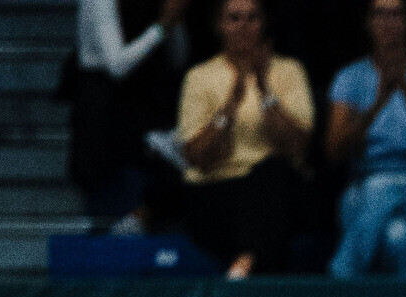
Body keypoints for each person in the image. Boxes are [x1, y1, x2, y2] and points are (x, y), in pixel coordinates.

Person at [174, 0, 311, 276]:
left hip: (276, 190)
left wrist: (264, 88)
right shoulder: (199, 77)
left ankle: (244, 263)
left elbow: (297, 145)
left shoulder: (288, 70)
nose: (244, 26)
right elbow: (197, 158)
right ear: (219, 25)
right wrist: (230, 105)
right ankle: (248, 262)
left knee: (272, 175)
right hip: (218, 192)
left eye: (252, 18)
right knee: (265, 218)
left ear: (264, 23)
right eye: (234, 18)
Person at [325, 0, 406, 275]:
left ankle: (342, 275)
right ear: (367, 22)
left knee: (382, 186)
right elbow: (334, 150)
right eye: (380, 14)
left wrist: (405, 85)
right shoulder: (350, 77)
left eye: (396, 14)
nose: (388, 22)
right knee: (398, 236)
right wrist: (378, 101)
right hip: (362, 190)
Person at [71, 0, 189, 232]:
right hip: (104, 110)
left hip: (146, 103)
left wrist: (175, 21)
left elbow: (179, 57)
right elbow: (117, 65)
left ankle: (142, 218)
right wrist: (163, 25)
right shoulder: (99, 3)